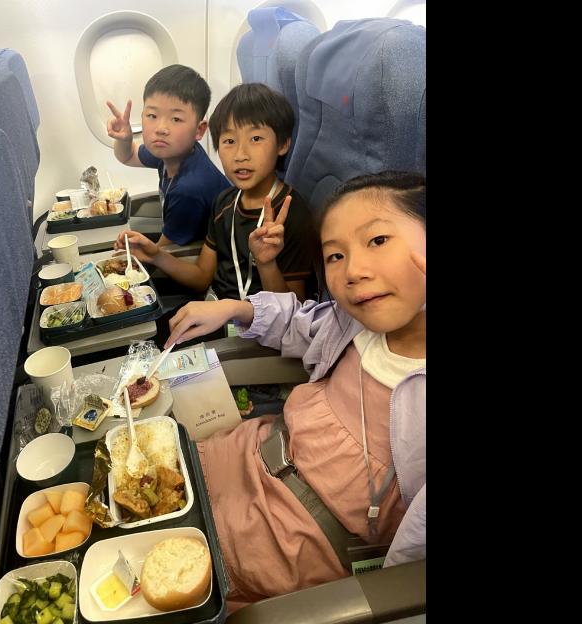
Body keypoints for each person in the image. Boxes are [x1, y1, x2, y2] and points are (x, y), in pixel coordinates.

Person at [165, 171, 426, 611]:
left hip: (296, 536)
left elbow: (408, 570)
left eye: (378, 240)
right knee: (152, 482)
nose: (353, 271)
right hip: (254, 453)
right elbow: (301, 320)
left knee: (170, 577)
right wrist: (234, 308)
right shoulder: (355, 323)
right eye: (336, 255)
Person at [113, 83, 316, 301]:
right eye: (229, 141)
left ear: (283, 144)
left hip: (254, 320)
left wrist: (266, 264)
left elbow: (294, 311)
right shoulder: (224, 203)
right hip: (215, 306)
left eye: (256, 139)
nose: (240, 155)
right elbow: (202, 277)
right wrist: (155, 255)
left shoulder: (292, 214)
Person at [107, 64, 230, 246]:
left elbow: (163, 251)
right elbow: (128, 155)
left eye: (176, 119)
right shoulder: (172, 152)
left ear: (199, 130)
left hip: (202, 257)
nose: (161, 129)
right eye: (152, 115)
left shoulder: (189, 189)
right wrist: (125, 139)